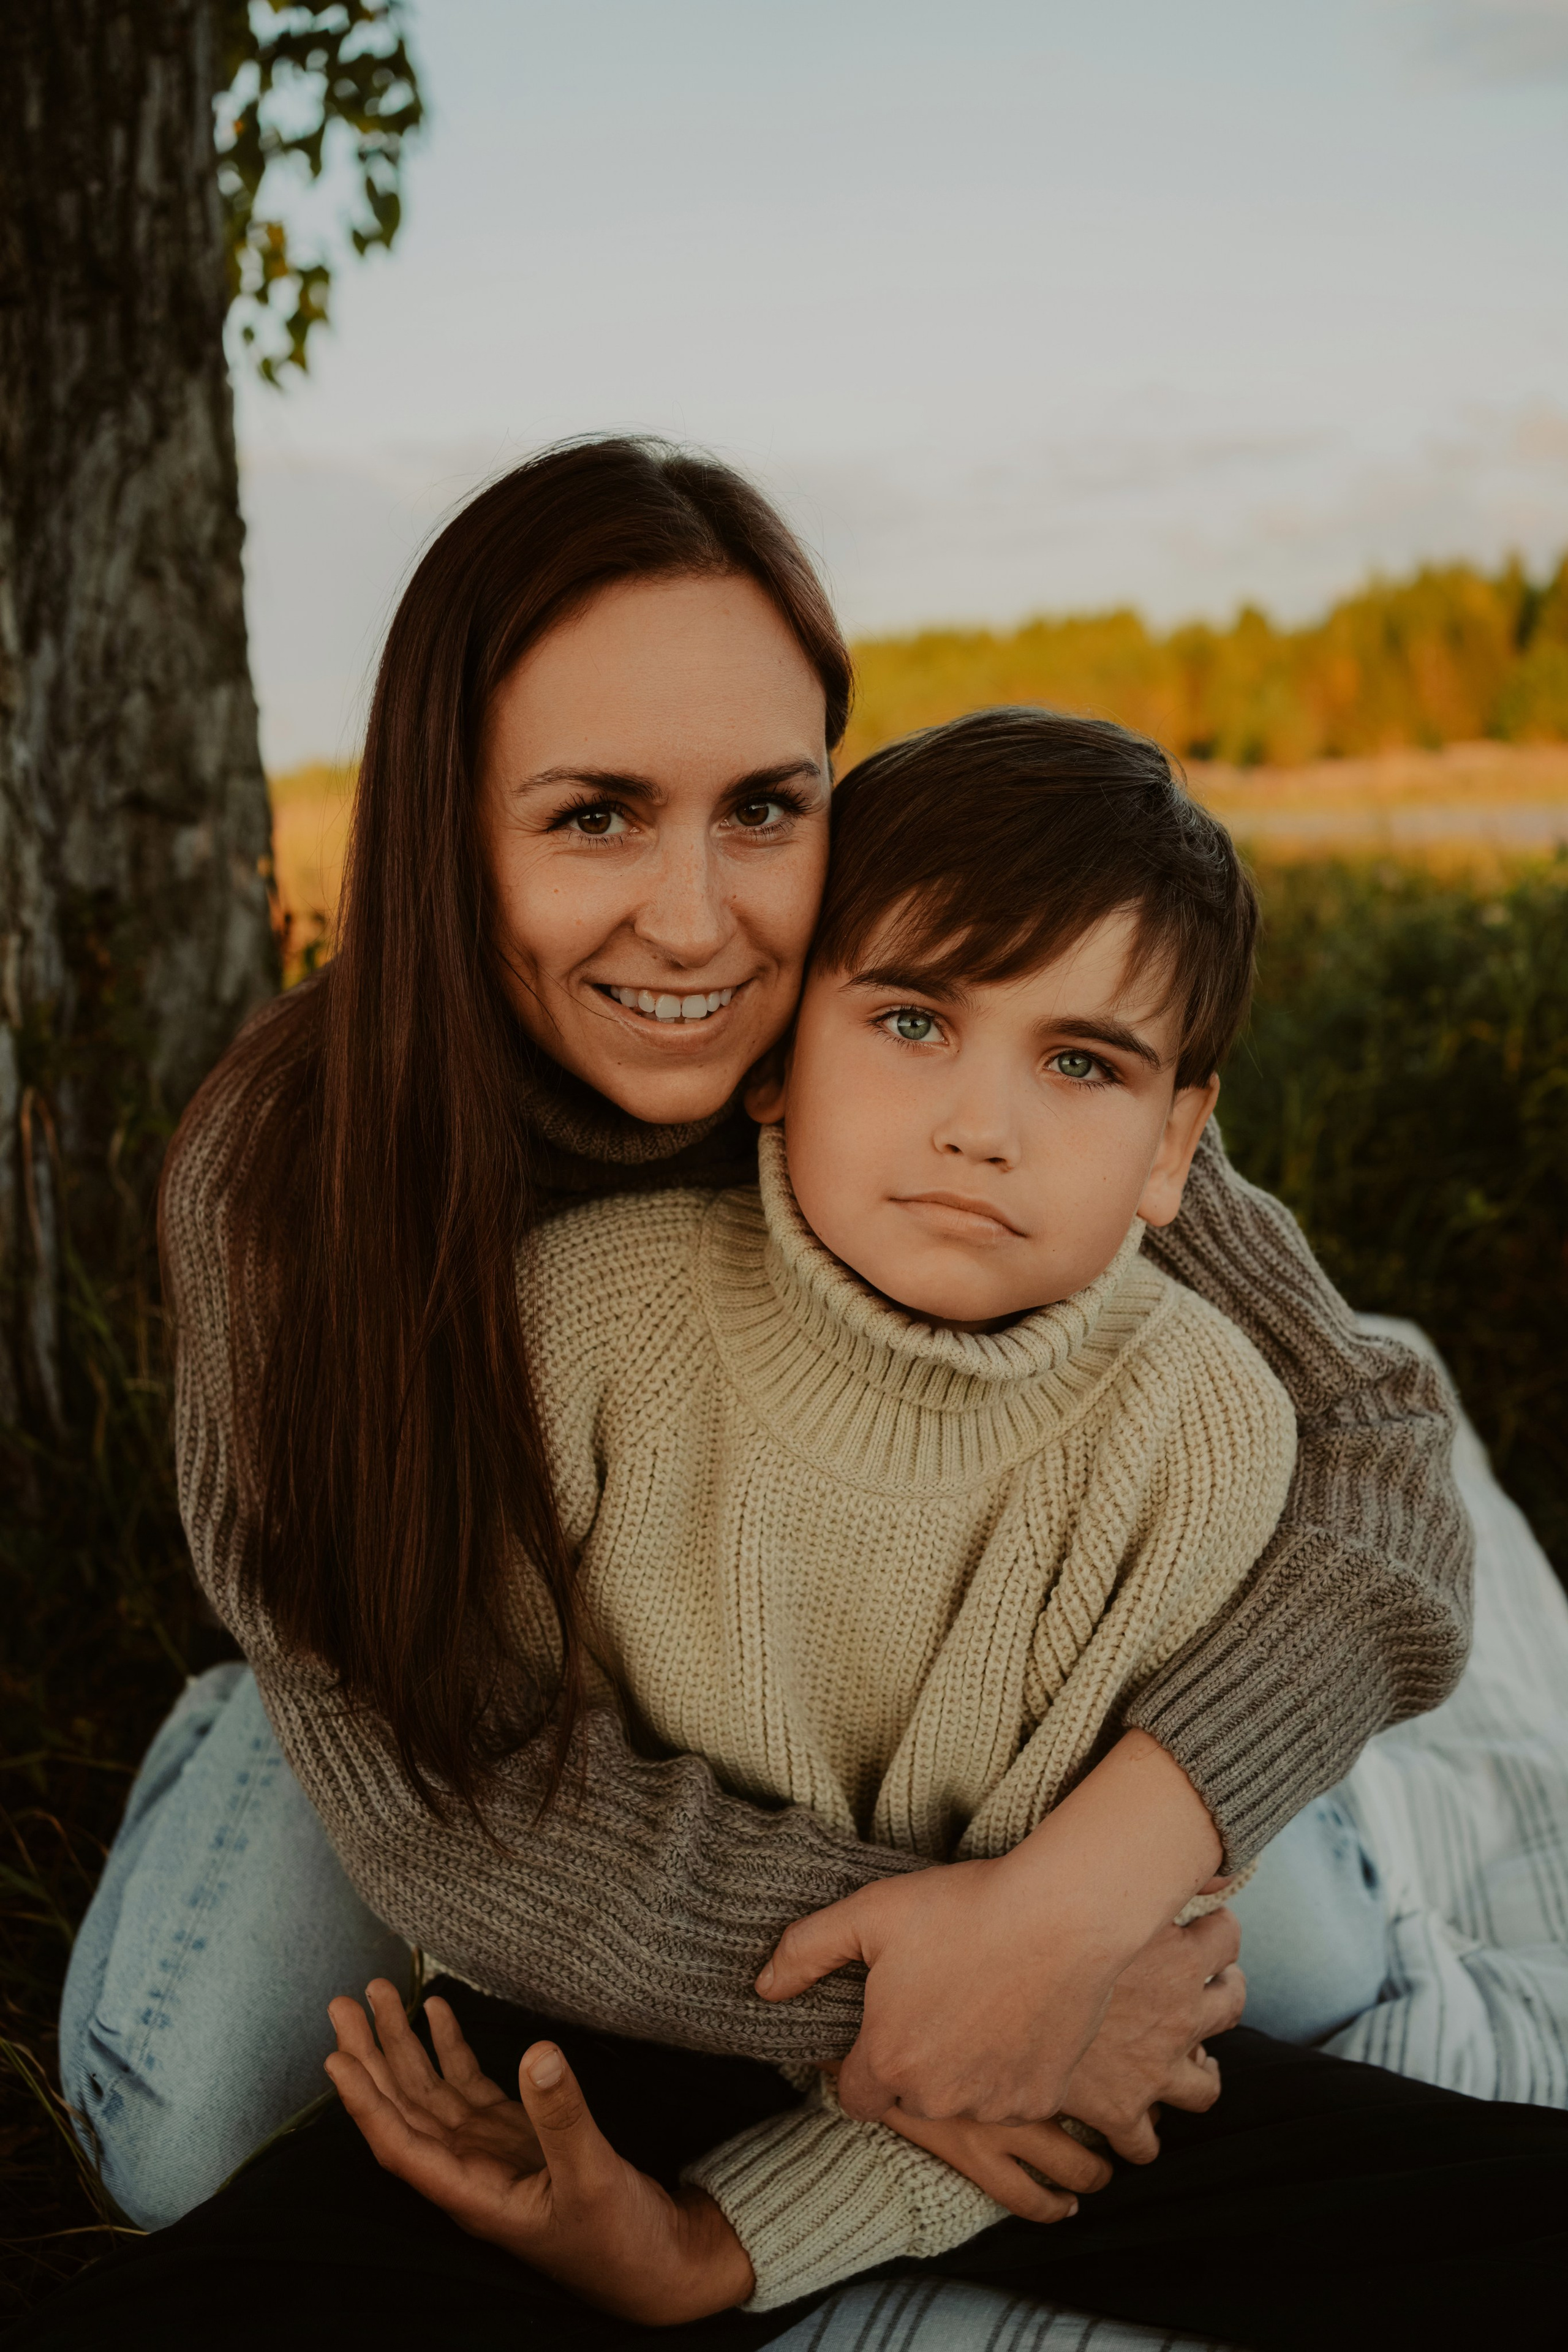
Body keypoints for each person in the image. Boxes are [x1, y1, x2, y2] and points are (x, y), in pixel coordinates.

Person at [50, 442, 1473, 2320]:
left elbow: (1375, 1440)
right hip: (435, 1685)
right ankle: (248, 1719)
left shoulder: (915, 1043)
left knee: (1282, 1979)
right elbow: (461, 1809)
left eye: (766, 808)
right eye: (594, 818)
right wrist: (946, 2013)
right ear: (448, 824)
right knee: (195, 2121)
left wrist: (1079, 1898)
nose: (700, 920)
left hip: (913, 1696)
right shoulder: (291, 1180)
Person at [326, 701, 1306, 2315]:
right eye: (914, 1022)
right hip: (600, 1940)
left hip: (932, 1973)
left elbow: (1042, 1995)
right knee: (197, 2142)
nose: (981, 1129)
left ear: (1174, 1143)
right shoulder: (576, 1325)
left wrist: (732, 2242)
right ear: (775, 1053)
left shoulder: (1198, 1433)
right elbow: (506, 1821)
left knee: (1290, 2036)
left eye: (1082, 1063)